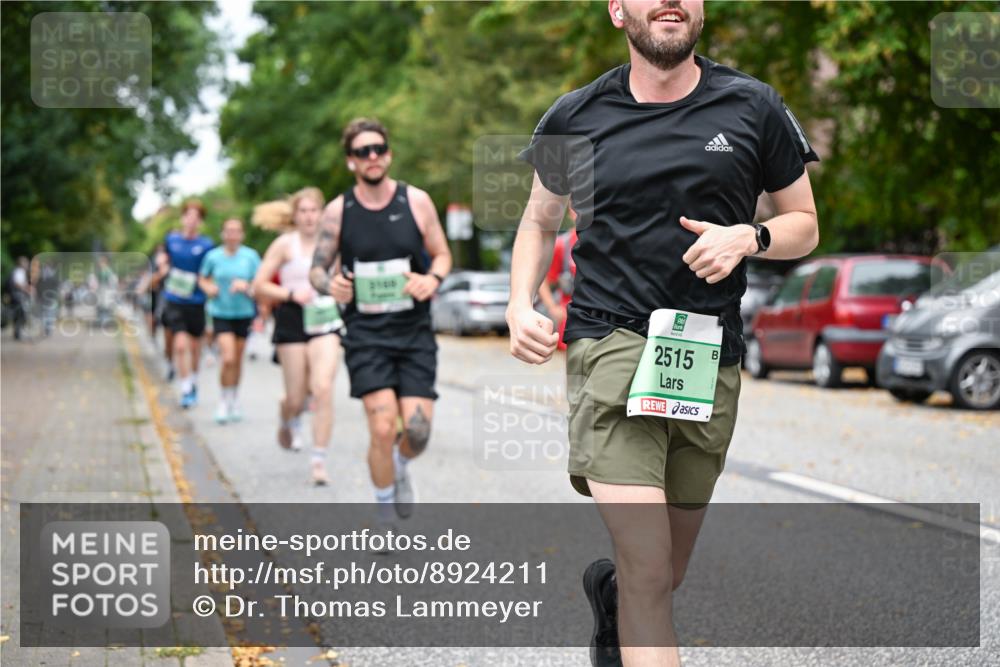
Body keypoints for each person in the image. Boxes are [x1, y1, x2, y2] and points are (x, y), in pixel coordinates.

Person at [507, 2, 820, 665]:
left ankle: (613, 600)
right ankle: (631, 598)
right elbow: (538, 221)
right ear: (619, 10)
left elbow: (804, 223)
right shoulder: (576, 115)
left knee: (663, 572)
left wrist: (750, 235)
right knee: (651, 571)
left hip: (708, 354)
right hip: (610, 343)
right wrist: (519, 302)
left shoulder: (754, 106)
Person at [311, 118, 452, 531]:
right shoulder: (339, 211)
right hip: (367, 336)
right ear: (351, 161)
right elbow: (316, 270)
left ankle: (399, 462)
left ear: (387, 154)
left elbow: (442, 254)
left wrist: (433, 279)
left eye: (377, 149)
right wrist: (330, 283)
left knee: (419, 432)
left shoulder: (417, 201)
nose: (371, 157)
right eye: (361, 152)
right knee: (382, 424)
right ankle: (385, 511)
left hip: (413, 334)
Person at [252, 187, 342, 486]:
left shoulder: (333, 246)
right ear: (295, 215)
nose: (308, 217)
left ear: (322, 214)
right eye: (302, 211)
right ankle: (286, 413)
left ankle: (318, 460)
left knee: (323, 387)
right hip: (292, 320)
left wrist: (339, 287)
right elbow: (259, 285)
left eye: (313, 210)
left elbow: (344, 278)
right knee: (296, 397)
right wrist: (291, 293)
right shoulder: (284, 245)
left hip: (325, 320)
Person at [199, 218, 262, 424]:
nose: (232, 235)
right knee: (228, 358)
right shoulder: (213, 256)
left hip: (244, 313)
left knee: (238, 359)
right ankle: (223, 400)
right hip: (221, 312)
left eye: (236, 231)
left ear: (242, 234)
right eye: (228, 231)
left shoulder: (250, 256)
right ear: (223, 234)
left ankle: (234, 397)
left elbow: (260, 283)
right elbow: (202, 278)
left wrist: (247, 285)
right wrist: (209, 287)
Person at [161, 200, 214, 408]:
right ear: (183, 218)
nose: (191, 220)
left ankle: (193, 380)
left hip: (197, 301)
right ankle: (184, 387)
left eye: (196, 217)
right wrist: (163, 266)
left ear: (200, 221)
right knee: (180, 345)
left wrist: (209, 286)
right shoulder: (172, 240)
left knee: (194, 348)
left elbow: (209, 271)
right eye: (188, 216)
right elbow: (165, 259)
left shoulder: (206, 245)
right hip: (175, 299)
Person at [536, 211, 579, 350]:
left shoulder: (605, 242)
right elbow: (542, 280)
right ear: (570, 212)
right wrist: (553, 308)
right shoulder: (563, 245)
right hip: (571, 320)